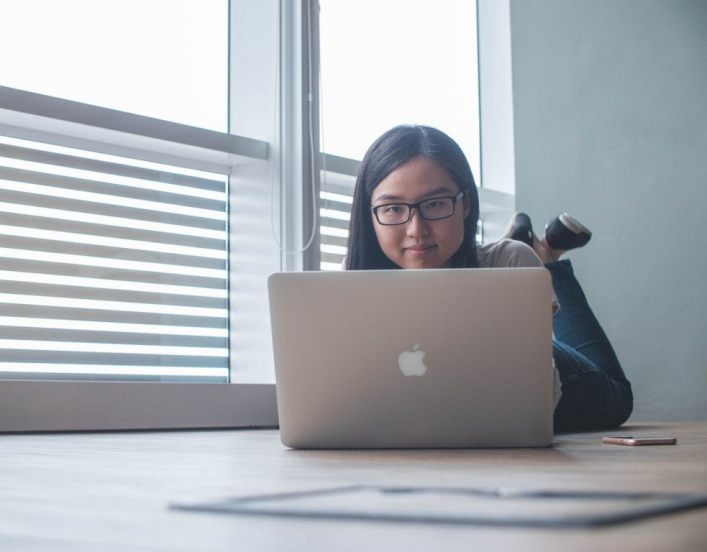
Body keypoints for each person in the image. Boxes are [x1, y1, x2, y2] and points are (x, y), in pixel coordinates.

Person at [345, 124, 633, 432]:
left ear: (465, 204)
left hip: (565, 386)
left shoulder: (511, 261)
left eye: (435, 204)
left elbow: (530, 398)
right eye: (392, 208)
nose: (417, 229)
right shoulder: (346, 293)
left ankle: (546, 261)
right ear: (370, 214)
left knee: (619, 394)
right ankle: (544, 251)